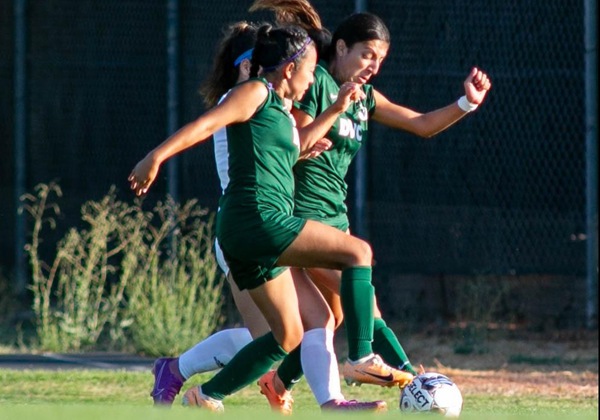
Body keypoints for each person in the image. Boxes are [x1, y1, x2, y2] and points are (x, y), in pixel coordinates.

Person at [129, 23, 393, 412]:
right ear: (288, 69)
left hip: (247, 233)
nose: (312, 80)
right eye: (309, 70)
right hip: (258, 221)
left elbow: (290, 149)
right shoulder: (253, 93)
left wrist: (334, 111)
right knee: (357, 253)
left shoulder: (282, 114)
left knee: (288, 335)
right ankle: (360, 359)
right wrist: (156, 157)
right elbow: (203, 127)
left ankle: (206, 395)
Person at [246, 0, 492, 406]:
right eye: (367, 54)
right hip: (301, 215)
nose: (373, 65)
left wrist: (467, 103)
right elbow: (297, 135)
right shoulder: (316, 82)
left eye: (379, 59)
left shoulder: (365, 97)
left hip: (334, 217)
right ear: (341, 48)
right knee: (366, 305)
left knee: (336, 316)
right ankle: (409, 378)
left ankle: (277, 382)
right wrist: (319, 123)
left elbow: (421, 124)